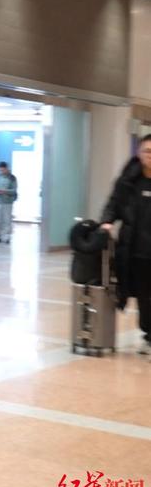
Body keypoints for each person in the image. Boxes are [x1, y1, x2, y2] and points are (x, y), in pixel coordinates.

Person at [99, 134, 151, 357]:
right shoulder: (128, 181)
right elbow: (113, 204)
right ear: (139, 153)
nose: (150, 155)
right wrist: (107, 222)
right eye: (147, 151)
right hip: (135, 250)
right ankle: (148, 336)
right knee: (144, 297)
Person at [0, 161, 18, 243]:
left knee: (7, 220)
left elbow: (14, 190)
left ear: (6, 168)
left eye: (2, 170)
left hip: (7, 202)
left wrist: (4, 191)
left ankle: (7, 237)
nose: (1, 172)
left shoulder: (12, 178)